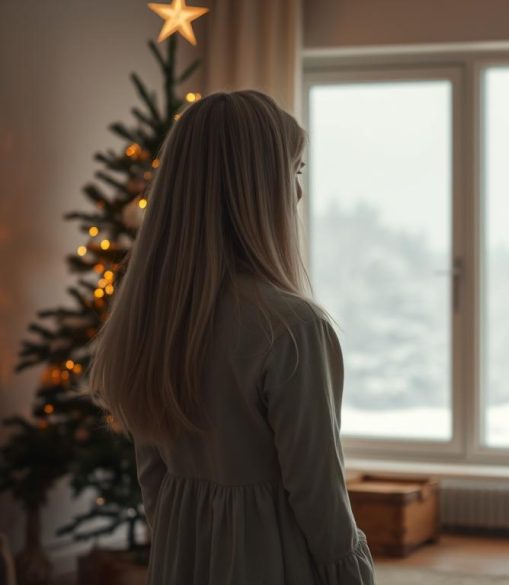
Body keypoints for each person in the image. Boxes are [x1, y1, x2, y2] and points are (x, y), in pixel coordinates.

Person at [89, 90, 374, 584]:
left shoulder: (152, 322)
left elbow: (153, 480)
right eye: (296, 171)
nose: (300, 193)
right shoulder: (293, 328)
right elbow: (320, 499)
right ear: (258, 188)